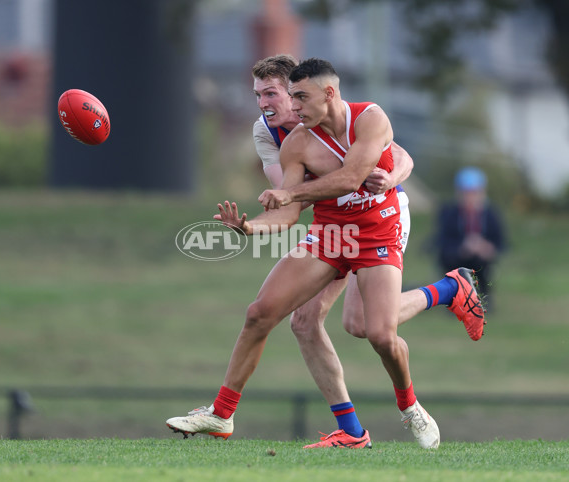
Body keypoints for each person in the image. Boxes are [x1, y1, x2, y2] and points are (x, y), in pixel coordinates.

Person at [166, 58, 485, 449]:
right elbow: (286, 212)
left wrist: (389, 177)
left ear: (322, 92)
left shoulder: (367, 117)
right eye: (260, 95)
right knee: (264, 314)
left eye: (283, 95)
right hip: (330, 231)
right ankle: (223, 414)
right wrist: (249, 228)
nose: (273, 104)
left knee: (375, 332)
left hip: (380, 223)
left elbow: (362, 173)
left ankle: (411, 403)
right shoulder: (286, 140)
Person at [436, 167, 506, 304]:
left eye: (474, 193)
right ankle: (454, 298)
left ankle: (483, 299)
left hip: (481, 260)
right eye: (466, 193)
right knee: (454, 265)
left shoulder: (491, 215)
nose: (470, 198)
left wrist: (487, 247)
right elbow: (442, 241)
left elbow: (500, 242)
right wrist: (462, 248)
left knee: (484, 266)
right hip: (456, 258)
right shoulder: (449, 213)